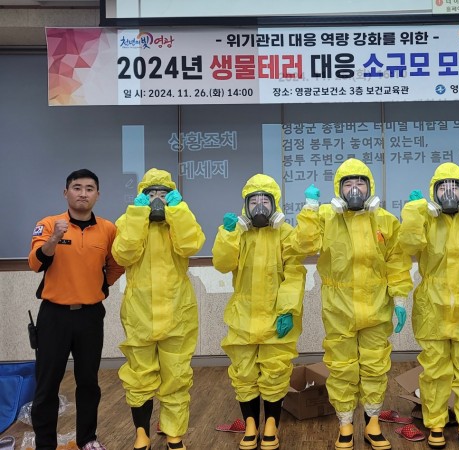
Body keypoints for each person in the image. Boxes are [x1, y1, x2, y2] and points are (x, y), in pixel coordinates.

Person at [293, 158, 413, 450]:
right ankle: (345, 424)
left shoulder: (385, 220)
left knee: (375, 365)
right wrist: (309, 209)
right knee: (342, 367)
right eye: (348, 184)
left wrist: (399, 298)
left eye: (361, 183)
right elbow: (304, 245)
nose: (355, 189)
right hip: (339, 308)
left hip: (376, 306)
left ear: (370, 187)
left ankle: (372, 423)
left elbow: (397, 262)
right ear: (339, 188)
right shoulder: (326, 216)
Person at [398, 162, 459, 450]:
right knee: (435, 370)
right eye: (443, 187)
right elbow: (408, 245)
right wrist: (414, 212)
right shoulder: (426, 222)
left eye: (455, 187)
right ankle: (436, 424)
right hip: (433, 307)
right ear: (434, 192)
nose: (449, 193)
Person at [28, 169, 124, 450]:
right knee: (47, 384)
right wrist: (54, 239)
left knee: (88, 383)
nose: (83, 193)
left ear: (97, 195)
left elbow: (117, 265)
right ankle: (45, 444)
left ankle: (87, 439)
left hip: (90, 316)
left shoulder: (108, 229)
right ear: (66, 192)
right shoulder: (48, 224)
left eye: (89, 188)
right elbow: (35, 264)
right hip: (54, 316)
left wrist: (100, 285)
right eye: (77, 187)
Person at [112, 168, 205, 450]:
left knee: (176, 375)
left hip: (177, 311)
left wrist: (178, 212)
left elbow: (191, 245)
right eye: (150, 194)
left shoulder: (178, 221)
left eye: (163, 194)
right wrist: (137, 216)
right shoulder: (128, 220)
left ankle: (174, 433)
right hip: (139, 313)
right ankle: (142, 433)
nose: (156, 199)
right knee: (139, 376)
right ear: (141, 197)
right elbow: (123, 254)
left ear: (172, 197)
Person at [212, 174, 306, 450]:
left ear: (275, 204)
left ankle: (271, 426)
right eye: (254, 201)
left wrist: (287, 309)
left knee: (276, 372)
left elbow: (294, 273)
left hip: (276, 316)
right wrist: (228, 234)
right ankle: (251, 425)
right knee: (244, 373)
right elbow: (222, 263)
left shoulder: (285, 233)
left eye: (266, 200)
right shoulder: (238, 233)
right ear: (246, 205)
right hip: (243, 315)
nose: (260, 206)